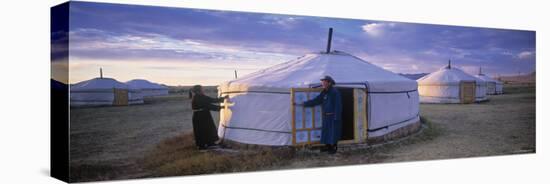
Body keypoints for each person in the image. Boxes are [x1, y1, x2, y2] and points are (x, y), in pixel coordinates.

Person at [296, 76, 342, 154]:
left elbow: (338, 105)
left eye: (324, 82)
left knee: (333, 132)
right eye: (322, 82)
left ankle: (333, 148)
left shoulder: (335, 92)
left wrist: (337, 117)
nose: (322, 84)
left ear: (329, 83)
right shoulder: (324, 92)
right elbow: (316, 100)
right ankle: (328, 146)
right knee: (326, 131)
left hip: (333, 116)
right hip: (326, 116)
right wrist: (304, 103)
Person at [189, 85, 228, 150]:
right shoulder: (197, 98)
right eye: (202, 89)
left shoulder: (201, 96)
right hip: (199, 117)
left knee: (209, 128)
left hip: (204, 115)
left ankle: (210, 143)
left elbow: (211, 100)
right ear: (198, 91)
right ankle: (202, 146)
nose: (203, 90)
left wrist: (223, 98)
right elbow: (208, 106)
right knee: (201, 131)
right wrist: (221, 107)